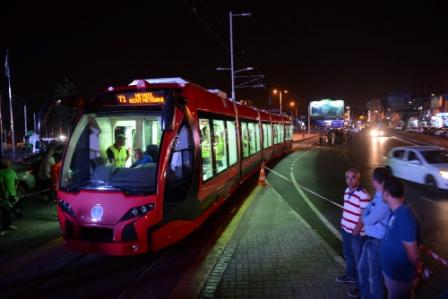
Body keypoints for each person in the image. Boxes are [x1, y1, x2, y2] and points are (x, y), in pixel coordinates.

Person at [380, 177, 421, 299]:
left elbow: (413, 254)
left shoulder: (405, 217)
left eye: (382, 191)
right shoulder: (397, 210)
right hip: (392, 274)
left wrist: (417, 273)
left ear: (387, 194)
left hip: (400, 278)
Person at [357, 167, 391, 299]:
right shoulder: (378, 195)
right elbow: (367, 210)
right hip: (369, 240)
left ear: (376, 181)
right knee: (362, 270)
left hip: (377, 243)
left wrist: (365, 215)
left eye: (372, 178)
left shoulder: (384, 199)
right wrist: (366, 214)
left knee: (374, 278)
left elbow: (367, 219)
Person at [336, 168, 370, 298]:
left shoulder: (363, 194)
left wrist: (356, 230)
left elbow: (364, 215)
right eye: (347, 177)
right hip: (345, 230)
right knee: (348, 255)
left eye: (353, 177)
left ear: (358, 178)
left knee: (360, 261)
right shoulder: (346, 191)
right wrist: (343, 223)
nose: (350, 180)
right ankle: (350, 276)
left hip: (356, 234)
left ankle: (361, 288)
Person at [0, 159, 19, 236]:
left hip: (13, 193)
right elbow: (1, 183)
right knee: (5, 211)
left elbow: (17, 179)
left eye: (7, 161)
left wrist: (16, 186)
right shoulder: (1, 172)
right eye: (4, 162)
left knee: (9, 210)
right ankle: (3, 228)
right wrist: (4, 193)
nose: (6, 163)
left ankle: (9, 225)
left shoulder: (12, 171)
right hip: (5, 194)